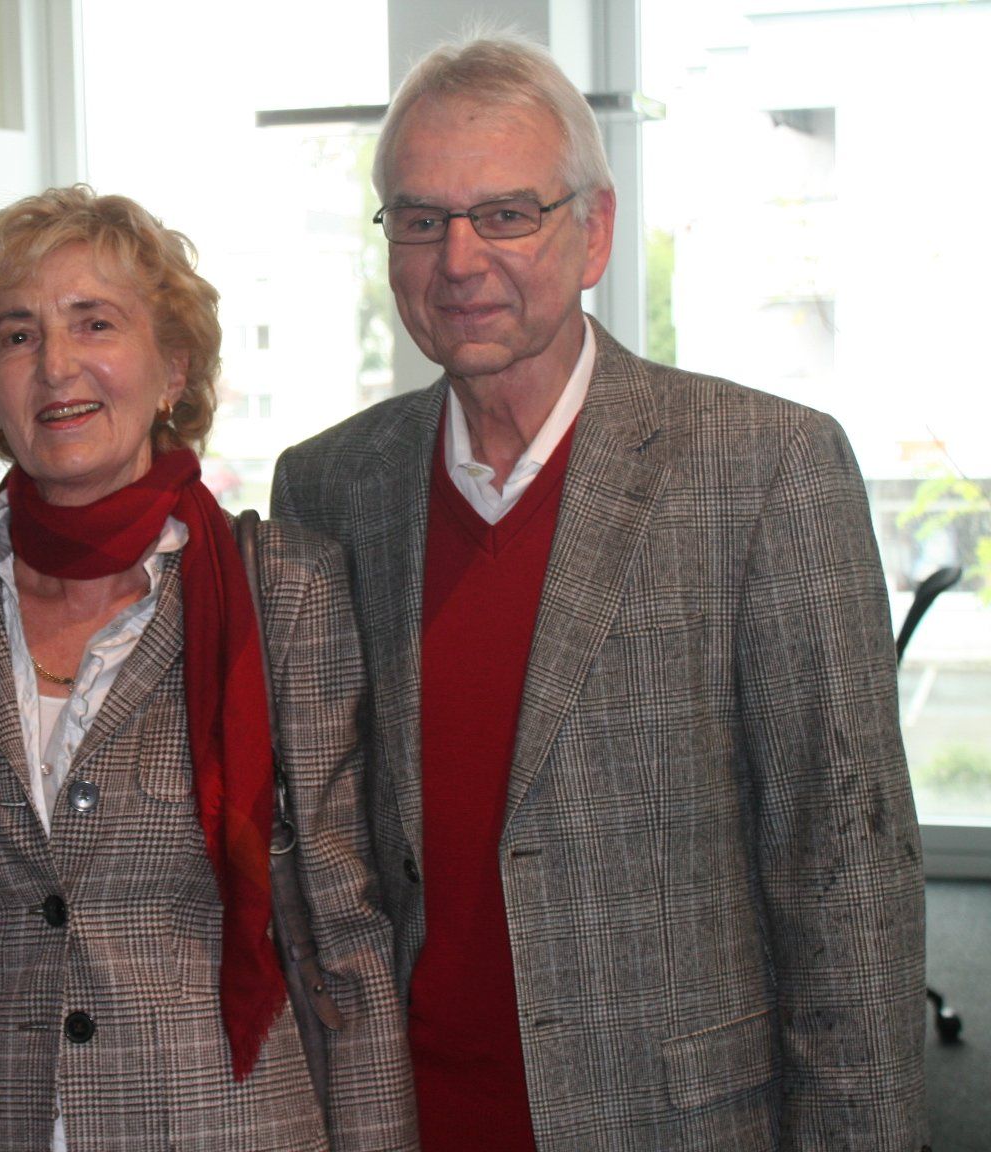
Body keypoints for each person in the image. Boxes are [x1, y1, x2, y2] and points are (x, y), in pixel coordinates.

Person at [272, 33, 928, 1151]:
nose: (460, 260)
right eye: (421, 219)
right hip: (405, 1114)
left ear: (595, 231)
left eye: (506, 214)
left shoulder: (764, 468)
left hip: (672, 1120)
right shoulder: (329, 486)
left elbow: (845, 864)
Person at [0, 186, 414, 1151]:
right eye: (17, 335)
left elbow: (343, 926)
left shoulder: (285, 589)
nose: (55, 365)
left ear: (172, 368)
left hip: (221, 1120)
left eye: (94, 323)